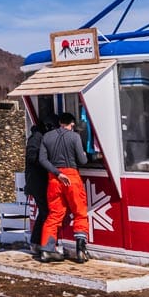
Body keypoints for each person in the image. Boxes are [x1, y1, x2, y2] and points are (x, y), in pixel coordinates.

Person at [38, 112, 90, 264]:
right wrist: (85, 154)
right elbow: (82, 160)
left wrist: (57, 173)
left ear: (59, 122)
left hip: (54, 178)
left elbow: (42, 159)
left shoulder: (47, 137)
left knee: (54, 215)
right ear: (72, 124)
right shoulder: (74, 137)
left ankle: (47, 250)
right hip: (72, 177)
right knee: (80, 213)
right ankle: (81, 251)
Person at [23, 121, 51, 259]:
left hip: (36, 182)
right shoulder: (36, 138)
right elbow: (32, 156)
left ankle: (36, 242)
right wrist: (46, 160)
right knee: (46, 212)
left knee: (44, 212)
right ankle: (40, 243)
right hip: (37, 182)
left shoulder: (37, 136)